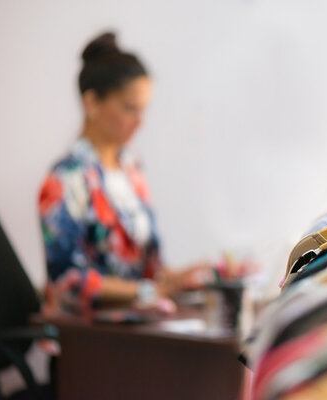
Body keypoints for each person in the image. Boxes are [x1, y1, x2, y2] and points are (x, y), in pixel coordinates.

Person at [38, 32, 212, 312]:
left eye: (144, 110)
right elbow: (69, 282)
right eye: (130, 108)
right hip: (91, 337)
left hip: (139, 324)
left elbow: (148, 268)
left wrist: (180, 278)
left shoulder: (130, 167)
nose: (140, 122)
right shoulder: (64, 181)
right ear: (92, 103)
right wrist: (153, 291)